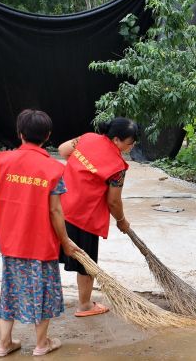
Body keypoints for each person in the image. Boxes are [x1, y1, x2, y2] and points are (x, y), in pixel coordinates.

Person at [0, 109, 77, 357]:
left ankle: (4, 345)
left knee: (10, 290)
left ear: (20, 133)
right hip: (40, 243)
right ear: (47, 136)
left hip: (12, 240)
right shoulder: (52, 168)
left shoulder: (5, 161)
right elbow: (56, 212)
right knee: (43, 291)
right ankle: (41, 344)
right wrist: (66, 242)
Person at [57, 118, 138, 316]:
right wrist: (121, 221)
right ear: (117, 140)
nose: (132, 146)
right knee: (86, 263)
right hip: (84, 216)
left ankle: (40, 297)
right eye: (130, 143)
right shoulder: (118, 167)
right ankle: (84, 305)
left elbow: (62, 149)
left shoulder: (87, 138)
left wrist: (81, 169)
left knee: (50, 253)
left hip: (59, 207)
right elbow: (113, 202)